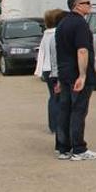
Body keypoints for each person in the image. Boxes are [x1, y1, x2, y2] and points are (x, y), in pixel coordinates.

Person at [55, 0, 96, 161]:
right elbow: (82, 50)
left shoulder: (62, 24)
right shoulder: (80, 24)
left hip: (65, 72)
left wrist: (60, 77)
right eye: (87, 2)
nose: (90, 5)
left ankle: (63, 148)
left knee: (65, 110)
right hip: (76, 74)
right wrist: (82, 75)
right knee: (78, 111)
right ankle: (79, 149)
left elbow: (59, 52)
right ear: (77, 5)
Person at [35, 8, 64, 142]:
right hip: (53, 69)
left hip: (46, 69)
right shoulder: (55, 34)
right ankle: (57, 125)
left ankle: (53, 125)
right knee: (57, 97)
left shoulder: (46, 34)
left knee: (53, 97)